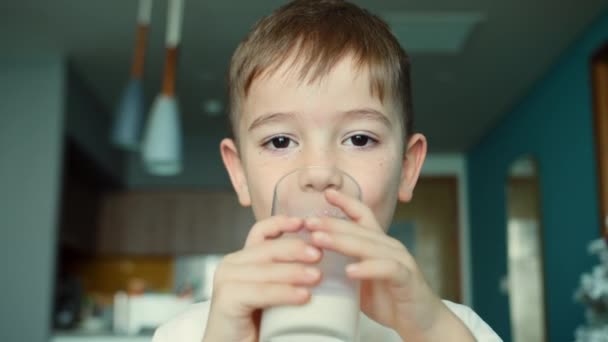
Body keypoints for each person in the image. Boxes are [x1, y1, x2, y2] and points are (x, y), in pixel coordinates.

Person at [153, 0, 502, 341]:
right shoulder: (188, 333)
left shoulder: (454, 328)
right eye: (279, 142)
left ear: (407, 168)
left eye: (360, 139)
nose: (319, 173)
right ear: (240, 173)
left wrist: (432, 332)